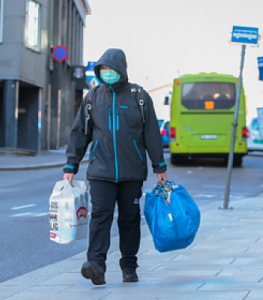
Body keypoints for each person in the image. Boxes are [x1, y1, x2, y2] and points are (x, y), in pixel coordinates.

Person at [62, 48, 167, 285]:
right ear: (99, 71)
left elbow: (151, 134)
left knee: (129, 219)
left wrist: (159, 167)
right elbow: (80, 133)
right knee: (100, 216)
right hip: (101, 171)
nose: (107, 73)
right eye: (104, 69)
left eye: (111, 69)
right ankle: (96, 264)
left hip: (132, 171)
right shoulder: (92, 97)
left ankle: (129, 266)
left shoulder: (139, 97)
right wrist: (71, 165)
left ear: (121, 69)